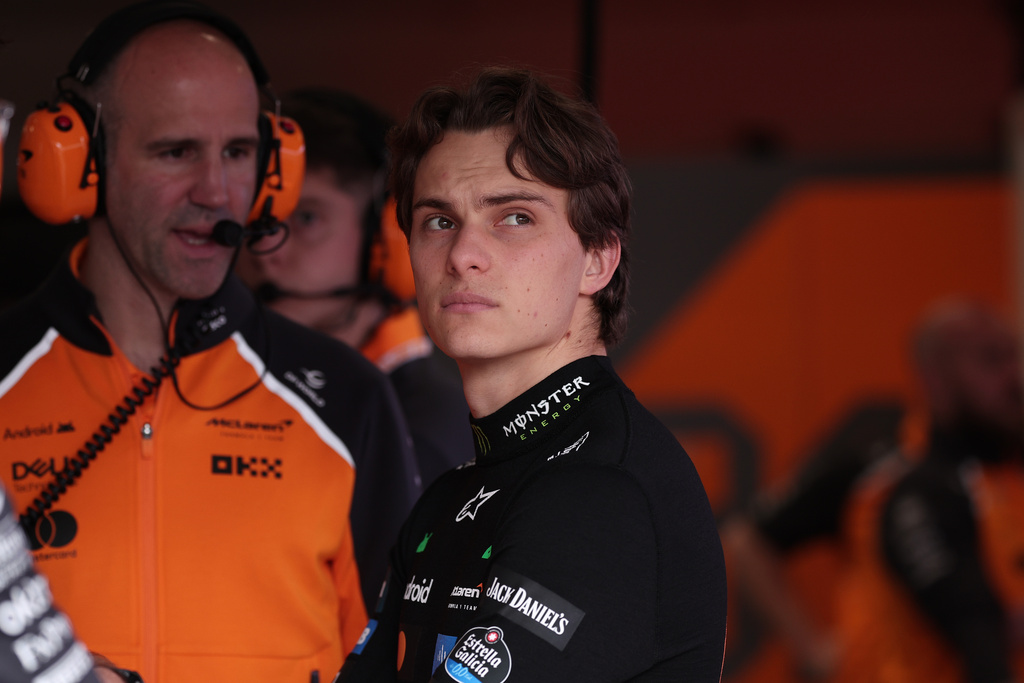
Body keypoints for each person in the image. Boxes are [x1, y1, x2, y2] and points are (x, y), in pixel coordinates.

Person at [0, 2, 419, 681]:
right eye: (176, 152)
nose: (217, 190)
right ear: (81, 160)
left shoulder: (347, 398)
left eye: (239, 152)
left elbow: (402, 662)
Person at [335, 67, 728, 682]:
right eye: (439, 220)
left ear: (598, 259)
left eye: (514, 217)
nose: (463, 253)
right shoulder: (454, 495)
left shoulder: (599, 491)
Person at [724, 299, 1024, 683]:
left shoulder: (1012, 460)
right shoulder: (878, 460)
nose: (1013, 376)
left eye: (1015, 356)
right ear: (935, 377)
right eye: (991, 360)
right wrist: (813, 649)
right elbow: (747, 538)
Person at [235, 89, 475, 487]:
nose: (262, 248)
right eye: (255, 220)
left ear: (388, 238)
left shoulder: (430, 436)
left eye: (306, 218)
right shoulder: (214, 391)